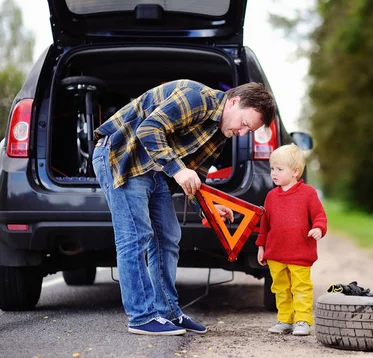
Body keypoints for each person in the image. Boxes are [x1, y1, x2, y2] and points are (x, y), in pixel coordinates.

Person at [92, 79, 276, 336]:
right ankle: (141, 317)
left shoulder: (220, 132)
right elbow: (149, 129)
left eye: (249, 131)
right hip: (121, 155)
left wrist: (209, 208)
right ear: (233, 102)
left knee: (168, 236)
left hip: (152, 169)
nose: (242, 133)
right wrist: (177, 170)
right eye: (244, 124)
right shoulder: (196, 97)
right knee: (135, 237)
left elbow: (196, 174)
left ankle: (168, 312)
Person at [256, 144, 327, 336]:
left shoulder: (308, 194)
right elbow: (265, 225)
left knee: (301, 287)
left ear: (295, 171)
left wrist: (319, 228)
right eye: (272, 169)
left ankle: (303, 319)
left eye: (279, 169)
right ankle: (285, 319)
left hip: (300, 252)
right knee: (280, 288)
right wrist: (261, 246)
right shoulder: (271, 196)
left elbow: (320, 215)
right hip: (276, 253)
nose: (274, 173)